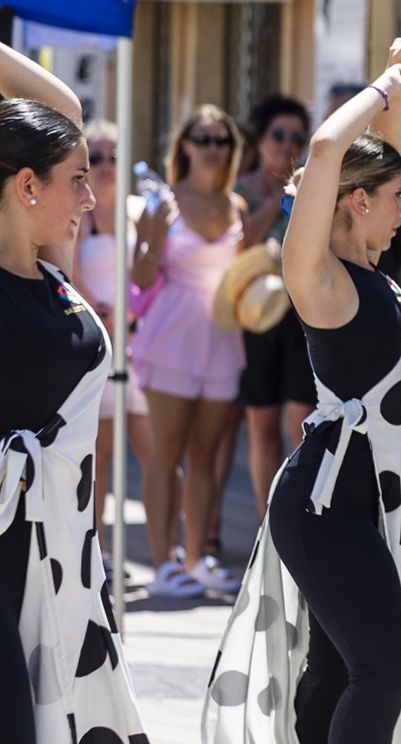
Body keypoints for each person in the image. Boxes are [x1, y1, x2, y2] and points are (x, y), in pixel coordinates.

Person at [203, 38, 401, 743]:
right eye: (395, 196)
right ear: (356, 200)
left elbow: (373, 160)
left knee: (339, 671)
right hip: (324, 501)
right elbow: (325, 143)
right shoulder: (319, 279)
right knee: (379, 667)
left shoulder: (369, 267)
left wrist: (396, 92)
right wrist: (382, 83)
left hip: (359, 499)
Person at [0, 39, 147, 743]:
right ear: (27, 186)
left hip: (62, 565)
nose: (93, 198)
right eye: (77, 180)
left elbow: (65, 108)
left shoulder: (51, 271)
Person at [131, 104, 247, 598]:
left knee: (207, 454)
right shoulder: (163, 203)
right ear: (184, 145)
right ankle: (162, 564)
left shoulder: (237, 205)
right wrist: (153, 237)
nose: (212, 148)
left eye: (221, 139)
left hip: (221, 337)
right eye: (202, 138)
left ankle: (197, 557)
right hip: (171, 336)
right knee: (166, 454)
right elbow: (138, 279)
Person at [71, 119, 171, 572]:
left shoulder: (137, 210)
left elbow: (149, 271)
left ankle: (167, 554)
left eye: (114, 155)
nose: (107, 165)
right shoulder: (78, 215)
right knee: (101, 457)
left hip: (137, 345)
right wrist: (101, 315)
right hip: (97, 346)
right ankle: (100, 551)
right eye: (98, 157)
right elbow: (69, 275)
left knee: (159, 453)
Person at [234, 96, 317, 525]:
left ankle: (298, 518)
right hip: (258, 316)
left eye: (297, 137)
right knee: (261, 424)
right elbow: (242, 244)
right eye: (278, 135)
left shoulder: (316, 187)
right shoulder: (243, 189)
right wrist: (279, 200)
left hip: (303, 315)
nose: (287, 144)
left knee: (301, 423)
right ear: (261, 139)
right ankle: (267, 520)